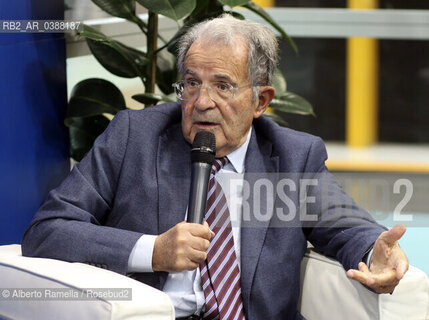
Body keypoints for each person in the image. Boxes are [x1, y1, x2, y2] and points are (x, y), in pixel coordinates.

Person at [22, 14, 408, 320]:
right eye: (191, 83)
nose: (202, 102)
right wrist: (151, 250)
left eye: (223, 86)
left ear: (261, 100)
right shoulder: (133, 138)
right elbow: (47, 230)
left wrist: (376, 251)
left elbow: (345, 226)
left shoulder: (290, 158)